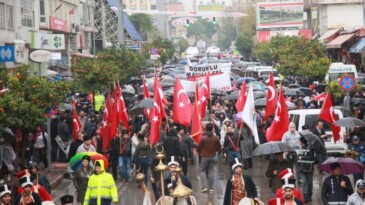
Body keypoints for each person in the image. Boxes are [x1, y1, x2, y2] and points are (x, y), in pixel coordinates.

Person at [197, 122, 221, 193]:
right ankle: (211, 188)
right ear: (212, 128)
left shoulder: (203, 138)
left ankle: (204, 187)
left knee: (203, 171)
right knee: (211, 171)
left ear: (206, 129)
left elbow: (198, 147)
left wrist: (200, 152)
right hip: (213, 156)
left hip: (204, 156)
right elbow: (219, 148)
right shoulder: (216, 138)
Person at [297, 136, 315, 203]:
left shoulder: (311, 148)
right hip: (302, 169)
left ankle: (310, 195)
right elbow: (298, 156)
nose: (299, 142)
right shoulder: (300, 148)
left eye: (300, 141)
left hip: (309, 169)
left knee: (309, 183)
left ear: (302, 141)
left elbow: (311, 157)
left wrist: (302, 158)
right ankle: (305, 198)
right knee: (304, 183)